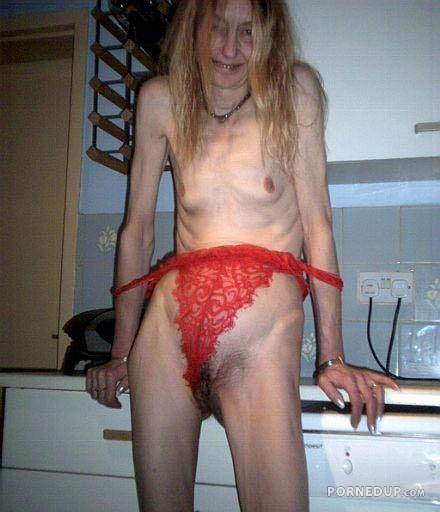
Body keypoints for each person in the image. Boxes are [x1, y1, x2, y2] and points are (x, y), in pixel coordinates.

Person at [86, 1, 400, 510]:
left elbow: (318, 224)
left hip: (261, 340)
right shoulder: (161, 99)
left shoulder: (294, 91)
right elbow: (136, 231)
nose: (230, 48)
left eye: (248, 32)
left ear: (270, 36)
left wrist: (332, 356)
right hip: (165, 338)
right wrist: (120, 353)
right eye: (217, 28)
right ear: (194, 29)